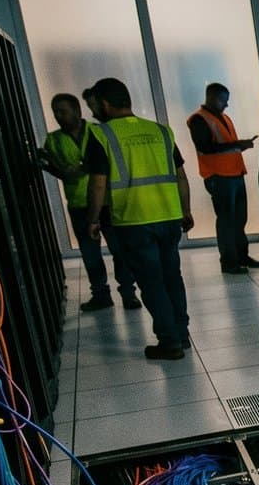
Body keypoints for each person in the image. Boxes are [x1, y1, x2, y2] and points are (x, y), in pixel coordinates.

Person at [81, 78, 194, 361]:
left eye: (95, 105)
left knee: (152, 281)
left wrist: (93, 219)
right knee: (172, 277)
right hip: (168, 216)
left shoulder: (101, 135)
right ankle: (181, 333)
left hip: (133, 219)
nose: (93, 112)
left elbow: (97, 182)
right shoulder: (161, 131)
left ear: (105, 103)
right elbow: (180, 175)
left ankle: (169, 342)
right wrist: (186, 210)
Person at [37, 92, 137, 312]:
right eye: (55, 112)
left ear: (77, 110)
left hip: (106, 201)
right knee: (90, 254)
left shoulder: (98, 131)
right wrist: (58, 169)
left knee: (119, 250)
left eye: (62, 110)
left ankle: (129, 293)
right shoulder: (53, 140)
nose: (58, 116)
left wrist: (82, 168)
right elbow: (61, 171)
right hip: (79, 204)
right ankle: (101, 294)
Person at [187, 82, 259, 274]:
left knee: (239, 219)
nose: (226, 105)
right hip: (218, 176)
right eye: (223, 100)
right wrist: (237, 145)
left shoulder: (223, 118)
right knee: (227, 221)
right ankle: (229, 261)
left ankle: (241, 256)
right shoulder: (198, 120)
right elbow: (204, 147)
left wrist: (238, 146)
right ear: (211, 97)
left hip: (235, 174)